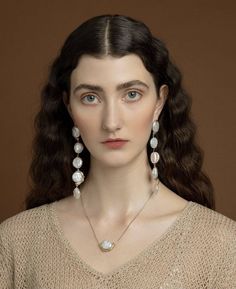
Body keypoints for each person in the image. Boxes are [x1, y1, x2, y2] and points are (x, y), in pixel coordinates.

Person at [0, 14, 235, 289]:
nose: (111, 122)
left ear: (159, 101)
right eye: (91, 98)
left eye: (132, 94)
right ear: (68, 106)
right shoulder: (16, 242)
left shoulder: (221, 246)